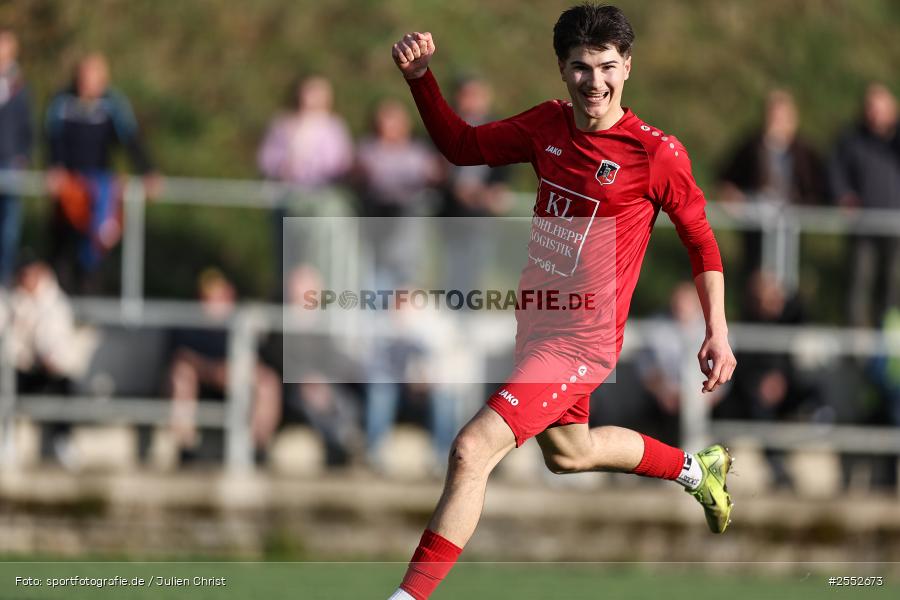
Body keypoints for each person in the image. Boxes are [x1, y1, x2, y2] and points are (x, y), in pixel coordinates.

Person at [386, 5, 737, 599]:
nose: (594, 82)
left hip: (583, 341)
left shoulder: (655, 153)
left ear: (627, 66)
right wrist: (421, 79)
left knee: (472, 449)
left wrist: (717, 330)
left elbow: (701, 242)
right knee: (571, 454)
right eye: (581, 67)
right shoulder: (546, 125)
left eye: (607, 67)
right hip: (537, 329)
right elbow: (462, 146)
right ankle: (696, 470)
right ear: (562, 68)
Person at [45, 53, 160, 295]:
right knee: (62, 249)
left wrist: (148, 171)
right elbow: (53, 139)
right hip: (69, 187)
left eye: (92, 78)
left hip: (100, 189)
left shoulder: (113, 104)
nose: (86, 83)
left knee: (96, 246)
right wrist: (55, 166)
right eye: (83, 77)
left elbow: (131, 140)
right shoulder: (62, 102)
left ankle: (92, 298)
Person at [166, 268, 281, 464]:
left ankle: (257, 449)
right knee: (181, 377)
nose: (213, 303)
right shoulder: (189, 324)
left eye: (219, 297)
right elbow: (181, 357)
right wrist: (212, 371)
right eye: (209, 298)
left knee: (268, 382)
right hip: (203, 383)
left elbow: (258, 359)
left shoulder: (242, 323)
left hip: (236, 380)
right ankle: (186, 448)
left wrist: (235, 370)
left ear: (230, 296)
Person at [717, 90, 825, 278]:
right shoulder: (752, 145)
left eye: (782, 117)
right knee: (756, 271)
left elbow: (816, 182)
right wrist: (732, 195)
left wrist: (807, 204)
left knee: (787, 271)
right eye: (773, 116)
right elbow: (727, 177)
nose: (777, 122)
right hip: (757, 221)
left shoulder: (803, 150)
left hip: (790, 221)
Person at [828, 83, 900, 327]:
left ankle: (889, 340)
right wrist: (843, 196)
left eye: (880, 108)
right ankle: (857, 340)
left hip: (895, 226)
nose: (875, 114)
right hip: (864, 226)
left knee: (893, 284)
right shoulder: (852, 140)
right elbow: (836, 173)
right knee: (860, 281)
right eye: (871, 108)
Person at [0, 29, 33, 288]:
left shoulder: (20, 86)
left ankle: (3, 280)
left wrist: (23, 157)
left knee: (9, 229)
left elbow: (27, 127)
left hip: (10, 164)